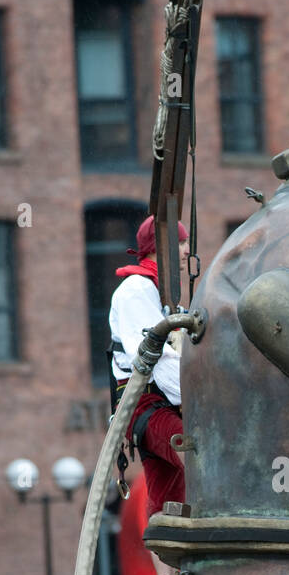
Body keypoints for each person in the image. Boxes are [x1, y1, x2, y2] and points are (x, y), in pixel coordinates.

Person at [109, 215, 187, 518]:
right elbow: (154, 357)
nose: (185, 250)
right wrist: (198, 396)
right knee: (198, 452)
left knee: (168, 503)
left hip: (161, 402)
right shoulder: (136, 291)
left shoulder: (160, 294)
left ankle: (172, 565)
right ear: (159, 247)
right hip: (146, 402)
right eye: (180, 242)